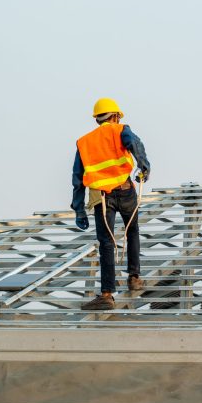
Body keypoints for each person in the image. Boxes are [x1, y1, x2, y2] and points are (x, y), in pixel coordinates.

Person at [71, 97, 150, 310]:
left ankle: (106, 294)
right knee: (131, 231)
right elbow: (135, 144)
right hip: (125, 191)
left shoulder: (84, 142)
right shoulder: (121, 129)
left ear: (97, 119)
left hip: (102, 198)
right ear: (115, 116)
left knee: (106, 242)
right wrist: (144, 167)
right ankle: (134, 277)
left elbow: (77, 178)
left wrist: (79, 209)